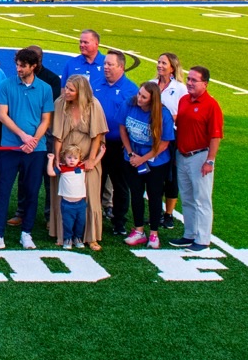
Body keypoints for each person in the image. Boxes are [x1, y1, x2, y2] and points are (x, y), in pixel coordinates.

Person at [0, 47, 53, 251]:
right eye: (17, 64)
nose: (18, 69)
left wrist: (33, 140)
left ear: (33, 66)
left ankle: (27, 233)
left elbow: (46, 119)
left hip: (36, 149)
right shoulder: (6, 85)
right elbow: (3, 115)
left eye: (23, 66)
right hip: (10, 147)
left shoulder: (45, 88)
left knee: (32, 191)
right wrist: (23, 136)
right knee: (3, 190)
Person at [46, 74, 106, 249]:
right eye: (66, 88)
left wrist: (92, 160)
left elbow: (98, 135)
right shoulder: (60, 103)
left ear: (81, 92)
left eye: (71, 90)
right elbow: (57, 135)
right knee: (63, 194)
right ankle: (62, 234)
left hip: (87, 157)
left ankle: (91, 236)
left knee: (91, 195)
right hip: (65, 156)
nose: (66, 92)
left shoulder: (93, 105)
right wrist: (57, 158)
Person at [118, 75, 176, 249]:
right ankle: (138, 230)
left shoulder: (163, 114)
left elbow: (164, 143)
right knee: (136, 194)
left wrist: (143, 158)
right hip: (132, 157)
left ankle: (154, 233)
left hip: (156, 162)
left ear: (152, 100)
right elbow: (122, 128)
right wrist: (130, 153)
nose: (139, 98)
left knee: (154, 195)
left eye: (144, 97)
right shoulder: (130, 104)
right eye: (139, 94)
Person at [171, 66, 223, 250]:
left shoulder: (211, 105)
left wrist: (210, 160)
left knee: (202, 199)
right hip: (183, 155)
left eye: (194, 80)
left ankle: (203, 239)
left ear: (205, 84)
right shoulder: (184, 100)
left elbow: (215, 135)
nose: (190, 83)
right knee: (187, 197)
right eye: (189, 79)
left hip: (200, 156)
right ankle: (190, 233)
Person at [95, 52, 137, 243]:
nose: (106, 67)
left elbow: (135, 118)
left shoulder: (130, 89)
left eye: (110, 64)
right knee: (96, 182)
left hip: (119, 145)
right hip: (98, 144)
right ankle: (94, 219)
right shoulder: (96, 84)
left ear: (121, 67)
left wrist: (128, 143)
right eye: (105, 63)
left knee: (120, 185)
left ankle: (119, 221)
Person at [54, 143, 91, 249]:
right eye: (69, 157)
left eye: (75, 158)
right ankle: (67, 239)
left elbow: (94, 162)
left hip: (80, 203)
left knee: (80, 222)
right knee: (67, 223)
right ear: (64, 157)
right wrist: (51, 160)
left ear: (79, 159)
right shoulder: (62, 168)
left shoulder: (82, 166)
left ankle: (77, 238)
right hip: (66, 203)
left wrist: (101, 152)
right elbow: (51, 173)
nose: (71, 160)